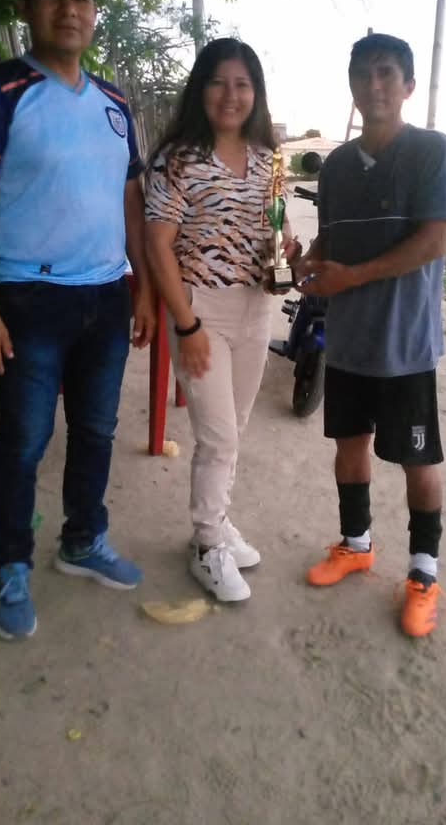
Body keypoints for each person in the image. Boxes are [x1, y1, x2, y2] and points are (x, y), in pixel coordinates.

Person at [0, 0, 156, 640]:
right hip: (27, 300)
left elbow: (131, 204)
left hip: (107, 296)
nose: (69, 9)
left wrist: (142, 289)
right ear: (25, 7)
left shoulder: (115, 103)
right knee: (23, 440)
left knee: (96, 431)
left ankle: (82, 540)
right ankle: (9, 566)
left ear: (95, 14)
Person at [297, 33, 446, 637]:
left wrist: (352, 277)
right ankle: (356, 544)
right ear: (351, 85)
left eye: (387, 73)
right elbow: (331, 237)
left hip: (404, 344)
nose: (374, 85)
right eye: (363, 74)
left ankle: (423, 573)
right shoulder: (338, 166)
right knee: (350, 447)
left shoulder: (432, 151)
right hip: (348, 341)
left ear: (408, 85)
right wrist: (308, 261)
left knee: (418, 458)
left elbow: (433, 241)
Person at [145, 37, 297, 602]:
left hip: (256, 308)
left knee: (235, 427)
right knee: (218, 437)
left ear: (256, 93)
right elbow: (157, 245)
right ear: (200, 89)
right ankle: (207, 544)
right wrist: (185, 326)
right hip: (200, 309)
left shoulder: (266, 157)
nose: (230, 95)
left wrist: (287, 249)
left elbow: (276, 226)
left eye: (242, 84)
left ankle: (218, 520)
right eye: (218, 82)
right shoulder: (178, 158)